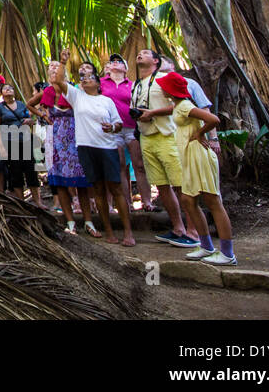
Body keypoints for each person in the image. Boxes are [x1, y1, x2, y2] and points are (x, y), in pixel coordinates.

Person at [157, 71, 237, 265]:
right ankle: (206, 246)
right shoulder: (177, 105)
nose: (160, 88)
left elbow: (213, 119)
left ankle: (227, 253)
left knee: (212, 200)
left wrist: (201, 133)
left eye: (163, 86)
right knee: (187, 200)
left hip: (198, 155)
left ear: (170, 90)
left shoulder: (184, 105)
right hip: (189, 156)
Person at [130, 49, 199, 248]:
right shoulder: (136, 84)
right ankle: (178, 228)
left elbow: (182, 103)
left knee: (180, 185)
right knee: (161, 186)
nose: (139, 54)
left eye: (145, 53)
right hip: (146, 137)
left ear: (156, 61)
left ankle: (193, 231)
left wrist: (153, 112)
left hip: (167, 136)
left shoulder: (164, 79)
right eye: (139, 53)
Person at [66, 68, 136, 246]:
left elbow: (118, 124)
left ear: (98, 84)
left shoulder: (107, 101)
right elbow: (58, 80)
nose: (86, 79)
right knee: (97, 189)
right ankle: (109, 231)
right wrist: (64, 61)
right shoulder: (76, 96)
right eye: (83, 78)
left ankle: (128, 231)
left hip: (107, 146)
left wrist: (112, 128)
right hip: (86, 147)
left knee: (115, 188)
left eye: (90, 77)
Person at [33, 60, 93, 234]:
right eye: (50, 70)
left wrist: (64, 61)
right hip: (55, 138)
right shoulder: (47, 92)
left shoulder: (74, 90)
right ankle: (70, 222)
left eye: (56, 69)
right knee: (59, 180)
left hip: (75, 136)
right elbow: (31, 103)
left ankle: (88, 221)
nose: (53, 72)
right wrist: (43, 115)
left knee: (81, 180)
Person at [100, 54, 153, 211]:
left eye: (119, 61)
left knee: (139, 164)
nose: (115, 63)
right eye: (112, 61)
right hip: (112, 129)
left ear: (125, 68)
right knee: (121, 165)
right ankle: (126, 203)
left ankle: (147, 201)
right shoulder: (101, 83)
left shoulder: (133, 85)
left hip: (131, 127)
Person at [0, 82, 43, 205]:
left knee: (31, 170)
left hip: (25, 140)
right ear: (2, 94)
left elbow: (29, 119)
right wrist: (1, 146)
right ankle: (22, 202)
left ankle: (38, 201)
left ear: (14, 92)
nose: (8, 90)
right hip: (10, 142)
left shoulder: (20, 104)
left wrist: (30, 121)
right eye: (5, 89)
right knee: (16, 171)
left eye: (10, 88)